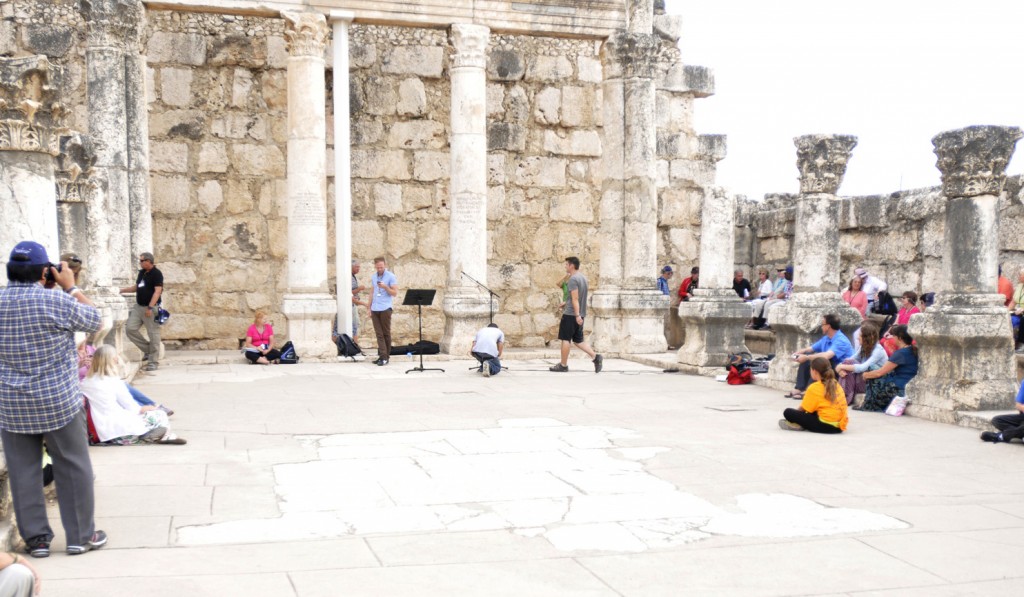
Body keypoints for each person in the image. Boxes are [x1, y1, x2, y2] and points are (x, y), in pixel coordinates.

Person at [0, 241, 106, 557]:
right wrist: (70, 288)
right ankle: (80, 536)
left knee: (24, 472)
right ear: (45, 271)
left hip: (12, 403)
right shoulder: (55, 302)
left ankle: (38, 540)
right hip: (57, 400)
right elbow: (94, 320)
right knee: (74, 466)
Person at [79, 346, 186, 445]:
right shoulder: (114, 381)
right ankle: (158, 436)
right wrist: (150, 408)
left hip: (100, 433)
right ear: (114, 360)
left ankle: (155, 435)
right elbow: (133, 408)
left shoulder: (85, 383)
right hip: (121, 431)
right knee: (160, 414)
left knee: (141, 417)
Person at [77, 339, 173, 415]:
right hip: (88, 384)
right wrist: (79, 366)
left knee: (122, 386)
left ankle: (153, 405)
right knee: (119, 389)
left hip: (100, 378)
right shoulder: (71, 354)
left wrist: (93, 363)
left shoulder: (90, 349)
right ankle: (150, 408)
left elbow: (101, 362)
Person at [550, 256, 603, 373]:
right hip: (579, 313)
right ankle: (596, 357)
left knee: (565, 339)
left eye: (566, 264)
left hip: (571, 314)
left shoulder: (573, 279)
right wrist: (566, 303)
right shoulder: (583, 278)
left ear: (571, 266)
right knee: (578, 340)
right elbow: (576, 297)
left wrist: (577, 315)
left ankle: (563, 365)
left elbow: (575, 299)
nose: (565, 266)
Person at [784, 313, 854, 399]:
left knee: (818, 361)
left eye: (822, 324)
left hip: (840, 370)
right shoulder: (827, 338)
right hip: (831, 367)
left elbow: (827, 356)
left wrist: (807, 357)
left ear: (828, 326)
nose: (821, 326)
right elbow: (810, 349)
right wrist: (800, 353)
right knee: (808, 356)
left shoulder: (841, 340)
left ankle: (809, 390)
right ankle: (799, 388)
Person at [779, 357, 848, 434]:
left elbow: (802, 409)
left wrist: (796, 417)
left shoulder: (814, 387)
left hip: (826, 426)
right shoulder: (836, 383)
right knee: (812, 411)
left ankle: (800, 424)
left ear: (814, 371)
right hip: (840, 426)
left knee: (788, 412)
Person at [120, 252, 163, 372]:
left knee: (153, 335)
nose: (140, 262)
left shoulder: (157, 274)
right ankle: (149, 351)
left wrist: (150, 307)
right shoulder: (141, 273)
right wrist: (121, 290)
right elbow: (136, 287)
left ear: (149, 261)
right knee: (130, 329)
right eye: (140, 261)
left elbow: (157, 292)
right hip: (139, 307)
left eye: (142, 260)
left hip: (150, 308)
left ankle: (153, 361)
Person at [859, 325, 919, 412]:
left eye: (894, 336)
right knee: (873, 370)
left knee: (871, 370)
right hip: (905, 385)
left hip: (898, 389)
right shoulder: (912, 350)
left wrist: (865, 375)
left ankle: (869, 404)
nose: (892, 338)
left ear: (900, 338)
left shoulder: (900, 353)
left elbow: (879, 373)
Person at [835, 321, 887, 405]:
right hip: (863, 379)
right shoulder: (864, 347)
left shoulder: (878, 350)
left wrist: (841, 367)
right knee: (848, 362)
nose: (858, 338)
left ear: (866, 338)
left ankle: (844, 396)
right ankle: (842, 395)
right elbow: (850, 359)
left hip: (875, 382)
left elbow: (862, 367)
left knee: (848, 364)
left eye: (860, 336)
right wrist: (840, 368)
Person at [368, 256, 398, 366]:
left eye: (381, 267)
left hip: (385, 308)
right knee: (378, 333)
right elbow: (372, 292)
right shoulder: (374, 277)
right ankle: (383, 356)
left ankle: (385, 357)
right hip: (375, 308)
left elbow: (394, 293)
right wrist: (368, 307)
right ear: (375, 266)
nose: (380, 269)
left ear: (385, 265)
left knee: (386, 333)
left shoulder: (391, 276)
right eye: (378, 267)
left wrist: (385, 287)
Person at [754, 265, 793, 329]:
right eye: (778, 271)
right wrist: (770, 296)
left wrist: (774, 297)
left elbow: (784, 293)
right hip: (773, 297)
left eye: (781, 271)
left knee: (768, 304)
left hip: (780, 298)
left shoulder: (787, 281)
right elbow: (772, 290)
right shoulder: (778, 280)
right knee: (759, 304)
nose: (779, 272)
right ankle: (756, 321)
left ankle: (766, 322)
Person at [1009, 269, 1024, 352]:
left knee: (1023, 320)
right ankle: (1010, 342)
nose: (1018, 277)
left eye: (1020, 275)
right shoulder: (1020, 286)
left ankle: (1021, 343)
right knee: (1010, 319)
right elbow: (1013, 301)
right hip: (1018, 311)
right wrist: (1006, 311)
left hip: (1022, 312)